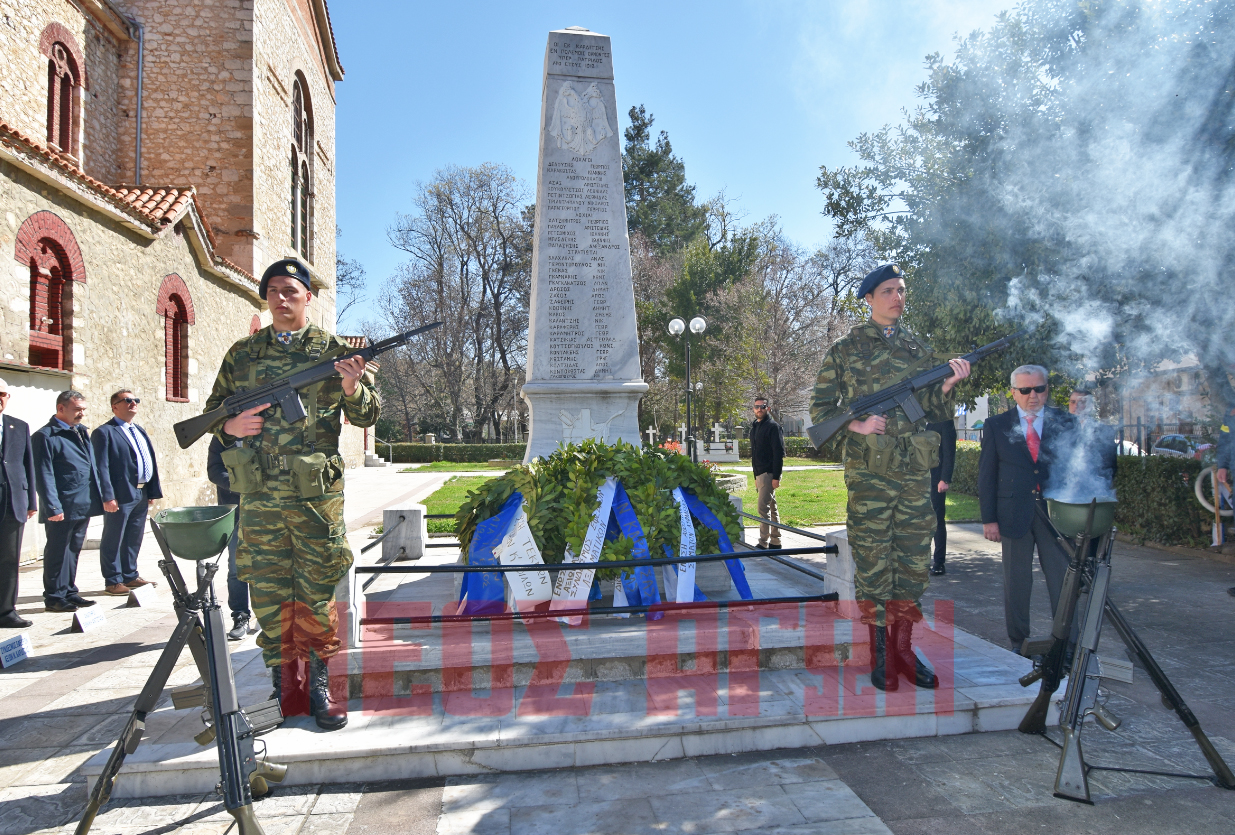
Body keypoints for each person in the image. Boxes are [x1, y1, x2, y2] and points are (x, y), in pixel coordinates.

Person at [203, 258, 379, 730]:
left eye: (292, 291)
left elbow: (367, 416)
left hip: (313, 499)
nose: (283, 298)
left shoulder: (333, 350)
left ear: (307, 297)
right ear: (266, 297)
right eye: (275, 290)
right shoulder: (242, 354)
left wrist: (351, 384)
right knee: (268, 590)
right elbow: (212, 412)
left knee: (316, 591)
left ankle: (318, 684)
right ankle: (286, 686)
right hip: (259, 494)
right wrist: (230, 426)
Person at [810, 264, 971, 691]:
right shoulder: (845, 349)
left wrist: (949, 386)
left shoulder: (920, 350)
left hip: (914, 473)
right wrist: (857, 426)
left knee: (913, 561)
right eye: (888, 291)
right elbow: (821, 413)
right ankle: (881, 653)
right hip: (870, 476)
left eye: (901, 290)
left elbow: (934, 412)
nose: (897, 297)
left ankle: (904, 649)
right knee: (875, 563)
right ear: (868, 298)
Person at [977, 365, 1075, 652]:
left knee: (1063, 581)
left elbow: (1075, 469)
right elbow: (987, 474)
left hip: (1055, 515)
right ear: (1013, 392)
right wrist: (989, 519)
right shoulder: (997, 424)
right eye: (1025, 390)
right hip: (1012, 514)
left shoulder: (1065, 422)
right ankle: (1018, 642)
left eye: (1039, 388)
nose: (1033, 395)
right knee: (1017, 583)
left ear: (1046, 389)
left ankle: (1066, 645)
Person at [32, 391, 102, 613]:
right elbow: (43, 474)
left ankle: (69, 591)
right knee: (57, 551)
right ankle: (54, 596)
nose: (81, 413)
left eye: (83, 409)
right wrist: (52, 505)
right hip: (62, 505)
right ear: (60, 409)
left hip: (82, 503)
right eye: (77, 409)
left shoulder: (80, 432)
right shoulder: (45, 436)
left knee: (73, 549)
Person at [91, 390, 162, 595]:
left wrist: (151, 489)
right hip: (119, 495)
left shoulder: (138, 430)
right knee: (114, 537)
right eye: (127, 400)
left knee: (134, 536)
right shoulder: (104, 432)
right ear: (115, 406)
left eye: (136, 400)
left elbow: (148, 460)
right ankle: (113, 580)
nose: (133, 403)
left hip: (140, 492)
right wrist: (107, 495)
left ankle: (129, 575)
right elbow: (100, 467)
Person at [207, 435, 256, 641]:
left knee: (271, 564)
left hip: (266, 509)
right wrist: (237, 484)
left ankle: (270, 614)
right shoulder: (223, 436)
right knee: (237, 568)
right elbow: (214, 470)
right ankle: (240, 616)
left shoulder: (268, 426)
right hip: (235, 511)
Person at [0, 378, 37, 628]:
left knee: (9, 559)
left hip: (13, 501)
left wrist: (30, 500)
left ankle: (6, 611)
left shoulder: (18, 426)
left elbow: (28, 465)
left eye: (2, 394)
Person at [749, 396, 784, 550]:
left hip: (769, 473)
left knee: (762, 508)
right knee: (772, 507)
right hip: (760, 474)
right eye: (757, 407)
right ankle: (776, 541)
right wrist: (755, 476)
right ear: (753, 409)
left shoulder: (773, 427)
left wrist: (776, 477)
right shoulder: (755, 428)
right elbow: (755, 454)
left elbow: (778, 453)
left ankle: (763, 543)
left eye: (762, 406)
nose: (759, 409)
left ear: (768, 408)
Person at [926, 418, 957, 575]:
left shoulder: (944, 421)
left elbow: (949, 451)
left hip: (936, 479)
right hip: (914, 481)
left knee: (937, 520)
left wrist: (945, 479)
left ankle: (939, 563)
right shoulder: (913, 420)